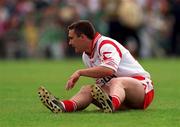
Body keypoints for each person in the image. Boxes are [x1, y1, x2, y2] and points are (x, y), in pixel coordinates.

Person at [38, 20, 154, 113]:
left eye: (72, 38)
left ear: (82, 37)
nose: (70, 42)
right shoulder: (86, 56)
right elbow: (103, 82)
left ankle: (111, 104)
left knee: (117, 82)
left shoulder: (105, 45)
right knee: (88, 90)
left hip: (142, 89)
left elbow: (109, 70)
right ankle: (62, 106)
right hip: (120, 95)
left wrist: (80, 72)